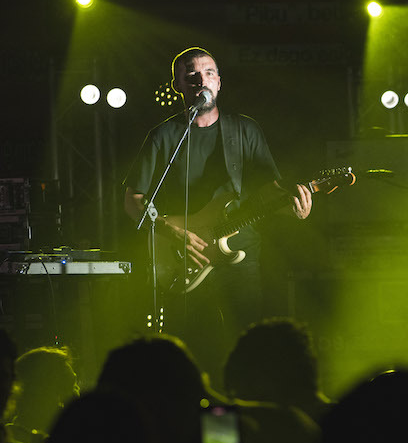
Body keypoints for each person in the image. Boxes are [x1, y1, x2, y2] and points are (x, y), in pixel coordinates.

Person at [123, 46, 312, 372]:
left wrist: (294, 208)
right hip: (186, 257)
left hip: (240, 253)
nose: (201, 80)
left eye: (209, 73)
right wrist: (171, 231)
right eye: (192, 75)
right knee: (192, 350)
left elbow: (271, 191)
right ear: (178, 85)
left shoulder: (244, 131)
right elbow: (133, 201)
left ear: (220, 82)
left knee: (247, 344)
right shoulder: (164, 136)